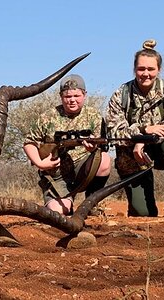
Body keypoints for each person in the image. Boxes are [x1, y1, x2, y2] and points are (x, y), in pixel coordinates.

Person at [105, 39, 164, 218]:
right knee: (143, 214)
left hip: (160, 149)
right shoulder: (121, 94)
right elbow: (114, 133)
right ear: (134, 69)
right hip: (132, 158)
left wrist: (144, 141)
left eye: (151, 69)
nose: (146, 74)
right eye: (141, 69)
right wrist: (142, 132)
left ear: (158, 70)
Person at [23, 74, 111, 215]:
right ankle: (63, 202)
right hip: (57, 175)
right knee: (59, 212)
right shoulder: (48, 116)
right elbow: (29, 143)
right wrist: (40, 163)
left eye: (76, 96)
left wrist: (93, 148)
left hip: (82, 170)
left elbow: (100, 146)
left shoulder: (94, 116)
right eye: (67, 96)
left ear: (84, 95)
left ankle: (92, 203)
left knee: (105, 160)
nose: (72, 100)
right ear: (61, 96)